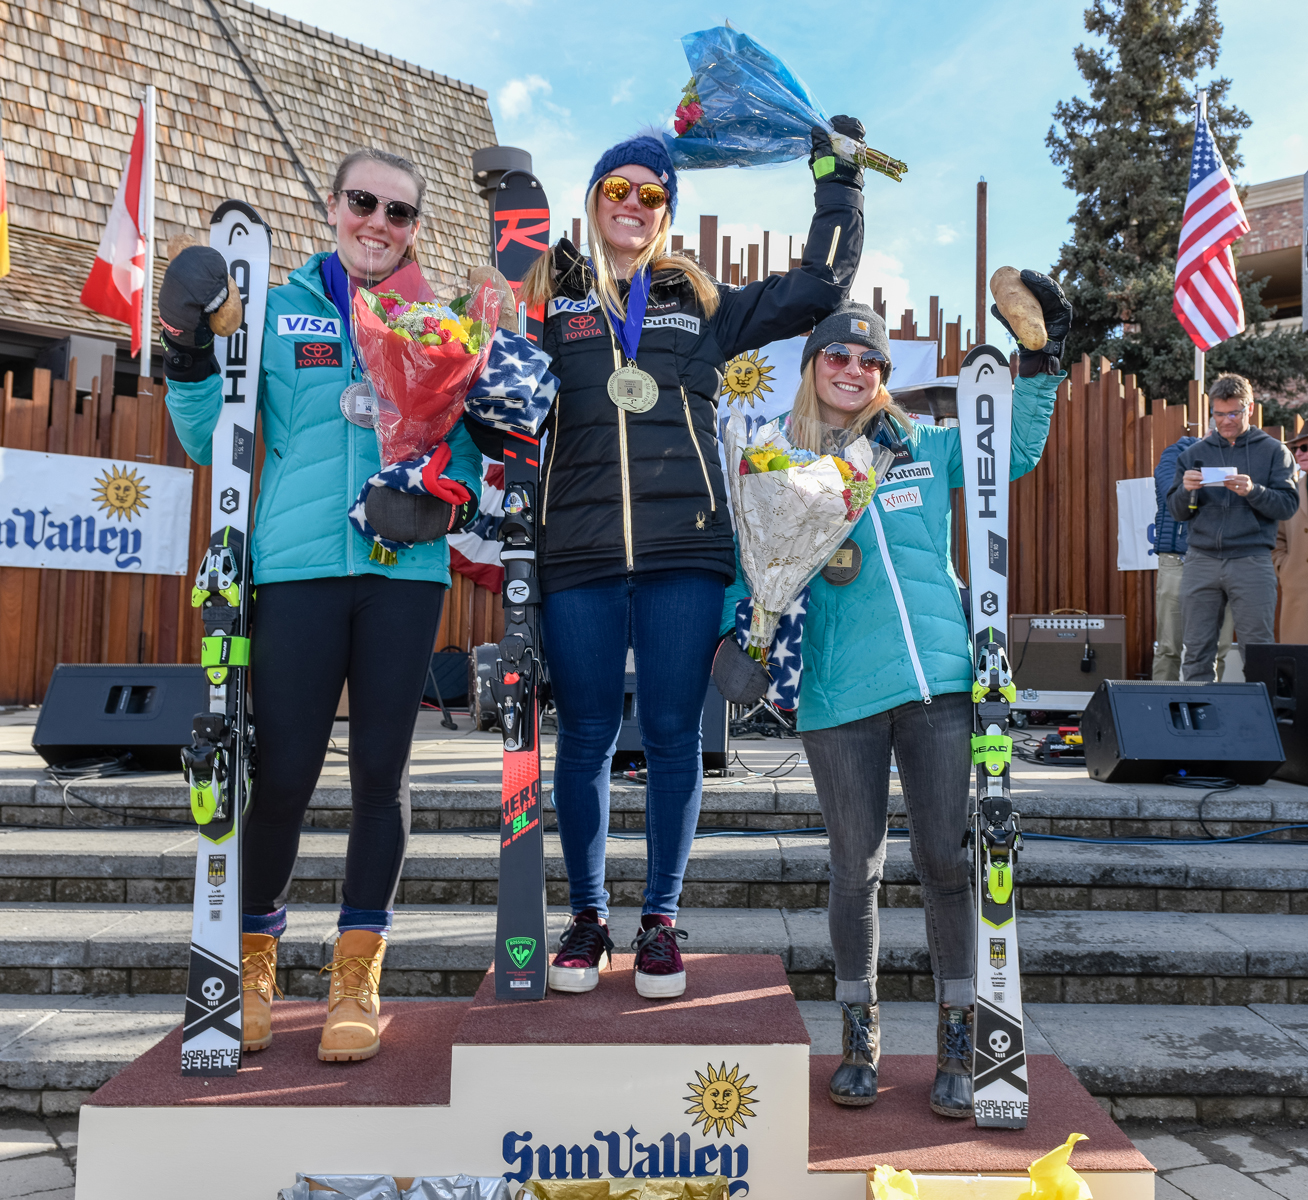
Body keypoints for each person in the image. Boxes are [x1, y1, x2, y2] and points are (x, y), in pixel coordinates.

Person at [509, 119, 866, 1000]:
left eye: (651, 193)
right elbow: (500, 395)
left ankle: (660, 920)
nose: (632, 205)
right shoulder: (550, 294)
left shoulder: (701, 303)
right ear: (595, 201)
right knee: (586, 736)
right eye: (616, 189)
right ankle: (588, 917)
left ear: (668, 211)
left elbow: (819, 286)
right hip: (580, 547)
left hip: (685, 549)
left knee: (673, 739)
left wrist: (838, 183)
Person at [159, 147, 483, 1063]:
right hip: (296, 566)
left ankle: (356, 972)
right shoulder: (275, 304)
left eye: (400, 212)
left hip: (401, 571)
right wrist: (187, 348)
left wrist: (438, 494)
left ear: (416, 227)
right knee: (286, 771)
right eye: (364, 204)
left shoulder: (435, 322)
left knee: (382, 773)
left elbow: (463, 442)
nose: (379, 224)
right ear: (333, 208)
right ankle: (253, 962)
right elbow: (206, 434)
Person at [720, 277, 1071, 1118]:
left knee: (951, 866)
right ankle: (859, 1036)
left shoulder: (926, 443)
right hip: (840, 695)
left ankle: (959, 1036)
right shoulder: (777, 457)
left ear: (883, 371)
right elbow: (755, 566)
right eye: (836, 354)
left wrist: (1044, 362)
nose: (853, 367)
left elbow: (1012, 452)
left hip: (944, 684)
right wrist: (752, 622)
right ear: (811, 367)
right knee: (856, 869)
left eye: (869, 358)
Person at [1167, 374, 1298, 683]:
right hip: (1201, 560)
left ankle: (1261, 726)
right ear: (1211, 411)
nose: (1226, 420)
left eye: (1234, 413)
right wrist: (1185, 491)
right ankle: (1199, 725)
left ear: (1249, 408)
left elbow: (1288, 506)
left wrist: (1254, 491)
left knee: (1258, 650)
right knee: (1197, 650)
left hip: (1252, 561)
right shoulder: (1191, 455)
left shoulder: (1274, 451)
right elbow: (1176, 512)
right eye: (1219, 413)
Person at [1153, 433, 1233, 681]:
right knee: (1169, 648)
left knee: (1218, 650)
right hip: (1178, 562)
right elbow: (1172, 493)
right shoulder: (1178, 452)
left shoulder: (1242, 457)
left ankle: (1210, 711)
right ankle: (1158, 715)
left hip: (1224, 563)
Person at [1274, 429, 1308, 644]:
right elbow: (1277, 538)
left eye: (1305, 447)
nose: (1299, 453)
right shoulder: (1292, 492)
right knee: (1300, 669)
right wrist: (1284, 567)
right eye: (1296, 448)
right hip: (1299, 596)